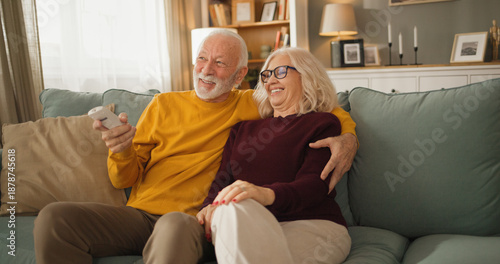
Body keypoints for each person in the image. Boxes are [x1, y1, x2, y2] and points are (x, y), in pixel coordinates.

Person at [33, 30, 357, 264]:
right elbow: (124, 179)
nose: (205, 69)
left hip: (191, 222)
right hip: (140, 216)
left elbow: (318, 107)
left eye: (219, 63)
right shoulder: (163, 105)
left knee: (173, 225)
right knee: (55, 219)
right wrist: (121, 151)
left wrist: (349, 137)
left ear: (240, 74)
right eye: (202, 59)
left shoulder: (252, 104)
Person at [196, 47, 351, 264]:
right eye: (267, 75)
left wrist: (265, 194)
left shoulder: (322, 123)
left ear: (307, 76)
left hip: (312, 224)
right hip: (251, 222)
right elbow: (223, 179)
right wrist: (208, 206)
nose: (270, 82)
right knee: (228, 206)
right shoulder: (242, 129)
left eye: (280, 72)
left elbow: (315, 185)